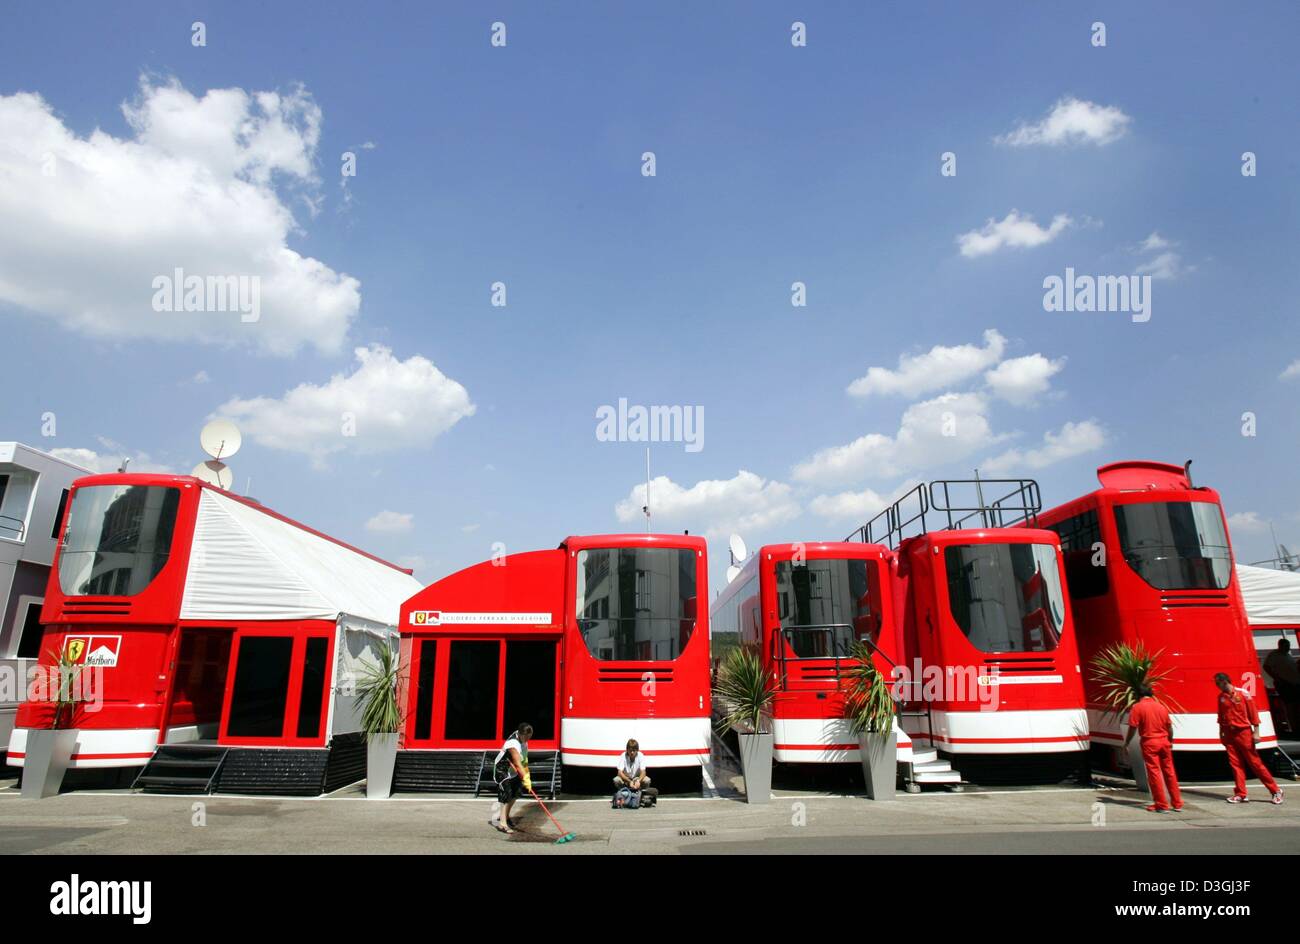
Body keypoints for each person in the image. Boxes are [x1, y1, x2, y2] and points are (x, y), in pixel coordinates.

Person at [1214, 673, 1283, 805]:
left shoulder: (1242, 694)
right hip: (1229, 733)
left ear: (1224, 681)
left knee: (1255, 763)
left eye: (1218, 683)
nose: (1217, 686)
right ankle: (1241, 793)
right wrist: (1221, 734)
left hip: (1244, 732)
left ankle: (1275, 790)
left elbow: (1253, 713)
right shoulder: (1221, 697)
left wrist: (1256, 732)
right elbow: (1221, 717)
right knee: (1235, 765)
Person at [1125, 685, 1182, 813]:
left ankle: (1161, 804)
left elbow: (1133, 727)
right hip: (1164, 741)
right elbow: (1169, 727)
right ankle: (1177, 803)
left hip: (1150, 742)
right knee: (1170, 772)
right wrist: (1170, 740)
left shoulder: (1137, 707)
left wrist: (1127, 742)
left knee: (1154, 773)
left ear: (1138, 695)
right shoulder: (1161, 706)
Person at [489, 723, 533, 834]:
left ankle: (506, 817)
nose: (527, 739)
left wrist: (527, 774)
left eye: (529, 737)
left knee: (516, 793)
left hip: (513, 771)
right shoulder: (513, 743)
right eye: (526, 737)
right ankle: (502, 824)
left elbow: (524, 760)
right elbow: (518, 763)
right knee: (506, 794)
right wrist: (526, 778)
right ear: (520, 734)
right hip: (502, 769)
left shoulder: (523, 741)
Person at [1263, 638, 1300, 735]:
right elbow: (1266, 667)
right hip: (1286, 684)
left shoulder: (1287, 655)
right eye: (1286, 646)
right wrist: (1277, 678)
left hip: (1295, 683)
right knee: (1290, 706)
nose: (1288, 648)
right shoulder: (1274, 655)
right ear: (1280, 646)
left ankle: (1297, 725)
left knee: (1296, 706)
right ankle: (1294, 727)